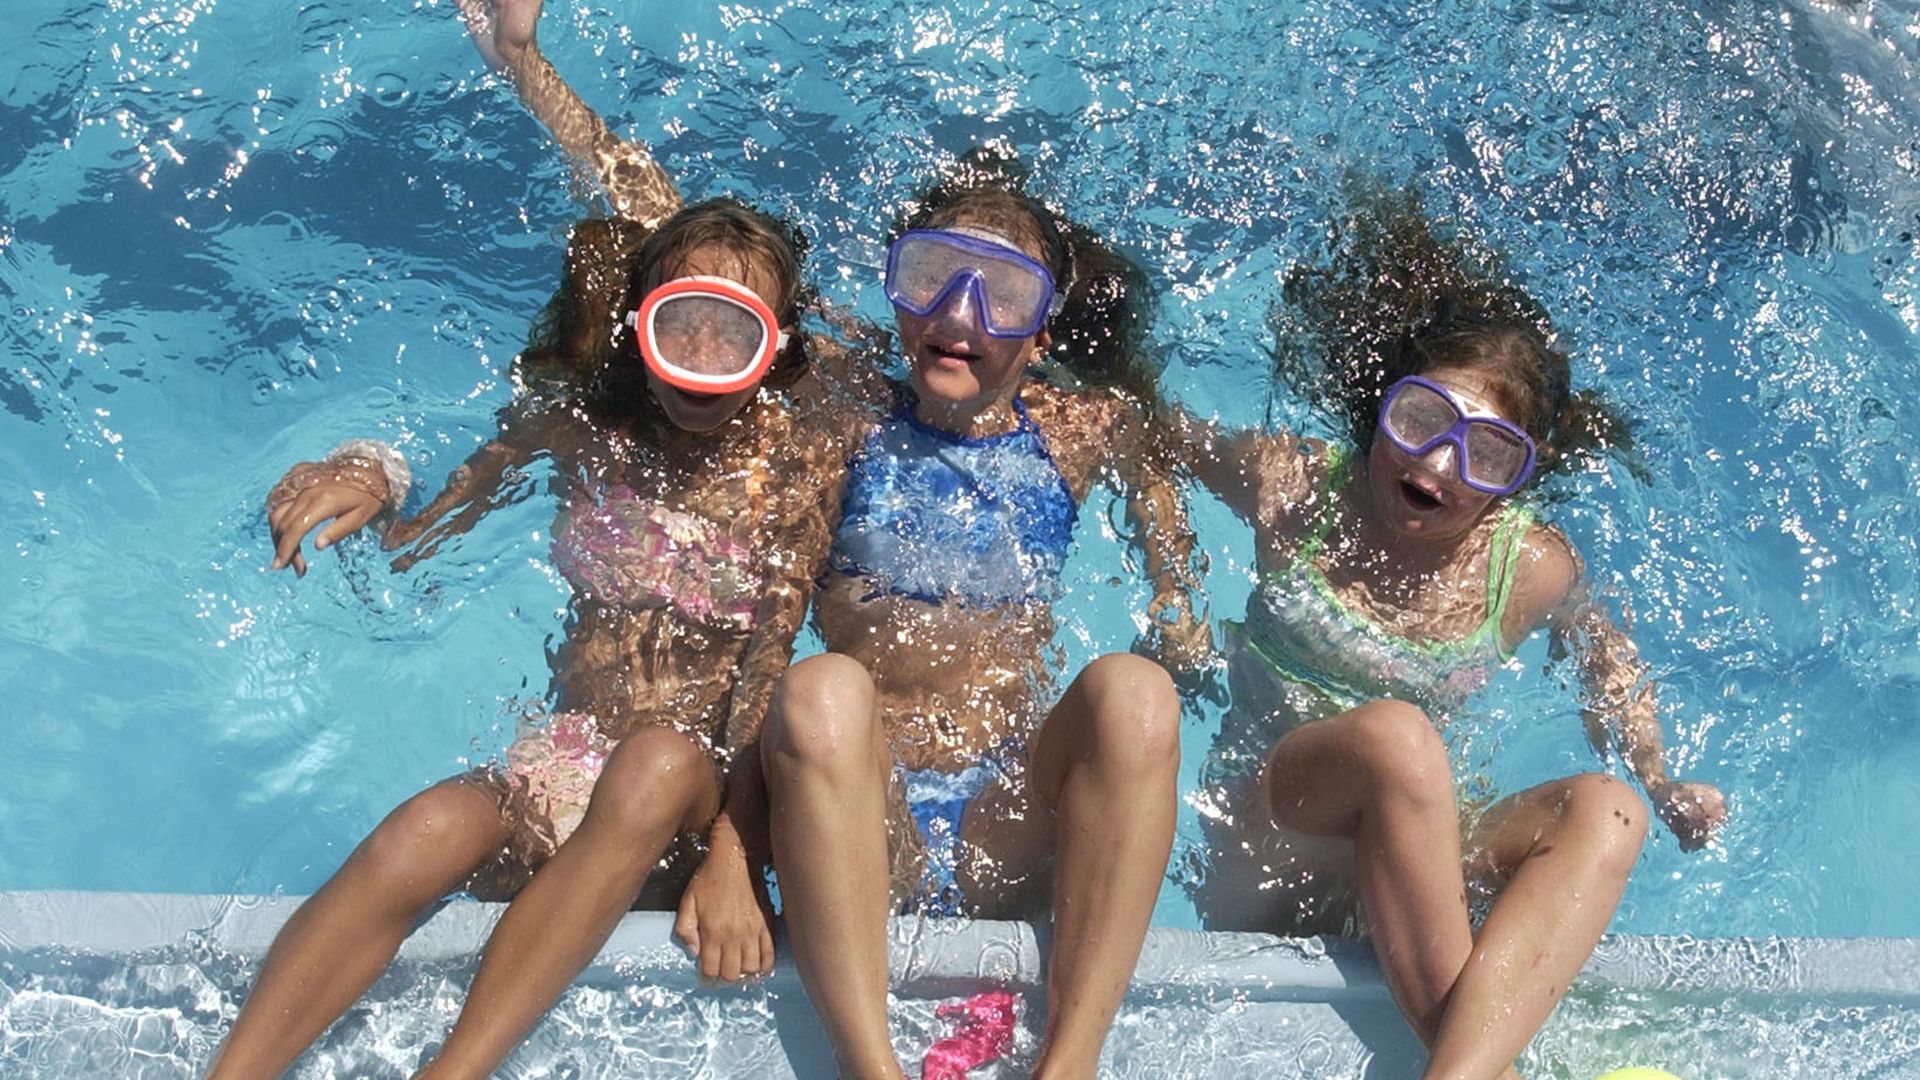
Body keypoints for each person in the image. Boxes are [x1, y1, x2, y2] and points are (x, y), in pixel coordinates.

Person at [206, 4, 854, 1076]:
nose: (700, 359)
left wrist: (738, 853)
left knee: (651, 763)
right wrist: (371, 471)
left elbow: (775, 662)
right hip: (565, 773)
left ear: (775, 348)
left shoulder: (800, 461)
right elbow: (413, 545)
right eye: (677, 324)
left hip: (695, 796)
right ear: (638, 322)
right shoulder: (578, 427)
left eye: (732, 335)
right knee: (429, 825)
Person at [1182, 190, 1729, 1080]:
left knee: (1606, 810)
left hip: (1417, 868)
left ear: (1519, 478)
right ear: (1384, 405)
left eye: (1489, 453)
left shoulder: (1532, 568)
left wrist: (1657, 777)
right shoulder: (1296, 487)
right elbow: (1157, 442)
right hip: (1271, 840)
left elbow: (1605, 652)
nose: (1437, 465)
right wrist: (1172, 584)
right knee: (1399, 740)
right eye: (1423, 421)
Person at [756, 153, 1210, 1080]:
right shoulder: (843, 408)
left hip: (1004, 817)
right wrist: (527, 66)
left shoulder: (1081, 430)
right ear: (899, 292)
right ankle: (869, 1068)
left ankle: (1068, 1063)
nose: (960, 314)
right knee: (822, 687)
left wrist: (1178, 597)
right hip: (860, 817)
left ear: (1041, 330)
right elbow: (702, 255)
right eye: (931, 276)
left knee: (1135, 693)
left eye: (1004, 293)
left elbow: (1164, 483)